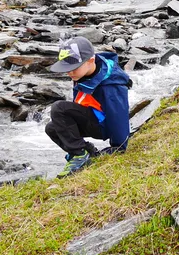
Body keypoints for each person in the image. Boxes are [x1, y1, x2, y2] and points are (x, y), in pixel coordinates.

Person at [45, 36, 132, 178]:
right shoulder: (83, 74)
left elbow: (118, 115)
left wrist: (119, 146)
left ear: (91, 61)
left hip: (104, 125)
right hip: (92, 117)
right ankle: (86, 152)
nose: (69, 72)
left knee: (59, 108)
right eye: (66, 68)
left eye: (73, 68)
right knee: (52, 128)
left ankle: (79, 154)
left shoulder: (111, 86)